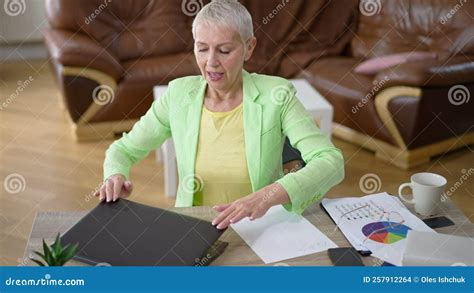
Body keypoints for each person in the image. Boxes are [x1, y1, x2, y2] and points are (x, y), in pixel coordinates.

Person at [94, 0, 344, 229]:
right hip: (195, 225)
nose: (210, 62)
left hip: (260, 225)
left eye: (224, 51)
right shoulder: (178, 95)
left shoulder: (277, 95)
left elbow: (330, 162)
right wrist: (115, 174)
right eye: (202, 49)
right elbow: (123, 149)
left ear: (249, 47)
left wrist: (266, 197)